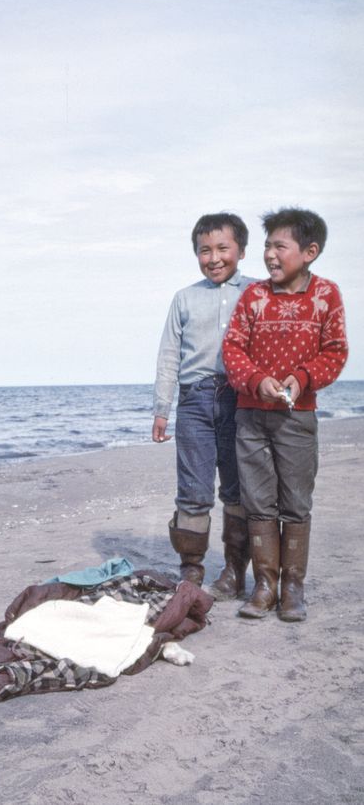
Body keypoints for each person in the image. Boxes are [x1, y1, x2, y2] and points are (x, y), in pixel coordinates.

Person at [222, 208, 348, 621]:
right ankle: (264, 585)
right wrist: (256, 380)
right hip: (251, 418)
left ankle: (293, 587)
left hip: (298, 419)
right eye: (267, 246)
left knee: (295, 503)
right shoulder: (253, 296)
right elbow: (233, 349)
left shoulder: (327, 295)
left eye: (280, 246)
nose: (270, 255)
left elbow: (335, 352)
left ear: (309, 252)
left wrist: (301, 377)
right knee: (258, 503)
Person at [152, 213, 255, 595]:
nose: (213, 258)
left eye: (222, 248)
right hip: (194, 402)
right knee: (193, 491)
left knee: (237, 489)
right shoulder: (184, 298)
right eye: (204, 250)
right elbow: (168, 356)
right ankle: (192, 568)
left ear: (241, 250)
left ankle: (233, 569)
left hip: (242, 401)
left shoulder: (258, 293)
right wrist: (162, 409)